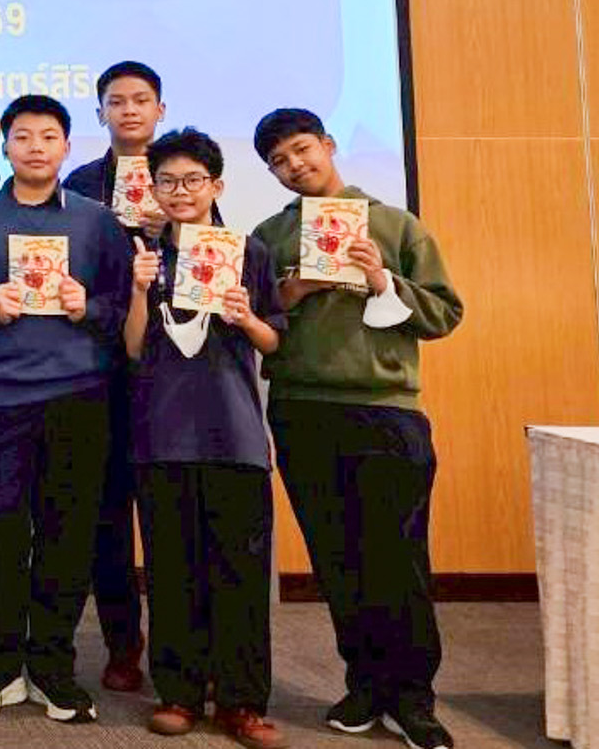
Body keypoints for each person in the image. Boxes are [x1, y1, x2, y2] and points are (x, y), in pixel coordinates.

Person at [250, 109, 463, 749]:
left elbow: (444, 314)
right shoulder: (269, 235)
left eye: (302, 149)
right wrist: (291, 291)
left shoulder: (395, 225)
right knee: (334, 557)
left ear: (328, 144)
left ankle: (413, 696)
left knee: (397, 558)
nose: (295, 166)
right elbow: (250, 317)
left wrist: (381, 280)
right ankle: (364, 682)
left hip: (386, 409)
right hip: (301, 406)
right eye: (280, 161)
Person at [0, 95, 128, 725]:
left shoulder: (97, 222)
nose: (36, 147)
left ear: (67, 147)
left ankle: (52, 665)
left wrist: (85, 307)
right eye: (22, 136)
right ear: (7, 145)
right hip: (1, 398)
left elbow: (123, 308)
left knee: (68, 536)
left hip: (79, 397)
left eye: (48, 136)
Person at [121, 128, 285, 749]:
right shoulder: (143, 254)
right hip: (162, 435)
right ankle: (179, 693)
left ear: (216, 185)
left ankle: (242, 701)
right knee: (172, 571)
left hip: (234, 435)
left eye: (192, 180)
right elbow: (133, 347)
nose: (180, 191)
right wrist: (139, 289)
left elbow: (274, 341)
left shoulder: (249, 252)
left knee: (240, 573)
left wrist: (246, 317)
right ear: (153, 189)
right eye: (166, 181)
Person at [61, 61, 168, 693]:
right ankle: (122, 645)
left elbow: (216, 261)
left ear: (159, 109)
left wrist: (169, 230)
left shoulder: (181, 175)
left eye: (141, 100)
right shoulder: (79, 184)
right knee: (106, 515)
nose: (129, 110)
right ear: (100, 112)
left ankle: (182, 650)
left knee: (169, 512)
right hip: (97, 364)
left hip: (173, 370)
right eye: (117, 101)